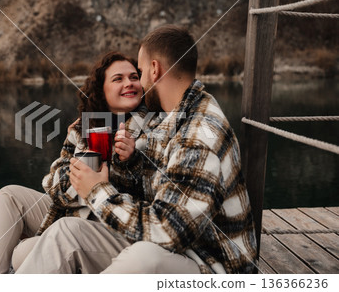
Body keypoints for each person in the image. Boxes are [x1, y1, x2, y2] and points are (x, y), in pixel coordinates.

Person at [16, 25, 257, 274]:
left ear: (154, 69)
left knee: (142, 257)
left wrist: (97, 191)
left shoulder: (199, 133)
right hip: (180, 248)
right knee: (66, 232)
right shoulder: (179, 117)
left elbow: (167, 230)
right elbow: (157, 174)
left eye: (138, 73)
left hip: (213, 265)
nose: (138, 83)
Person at [0, 51, 146, 273]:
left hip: (111, 224)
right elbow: (53, 185)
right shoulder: (85, 126)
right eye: (118, 79)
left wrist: (127, 161)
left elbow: (147, 193)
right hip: (75, 208)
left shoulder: (153, 125)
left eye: (133, 77)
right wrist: (83, 168)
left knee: (24, 252)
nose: (129, 83)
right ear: (102, 89)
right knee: (9, 195)